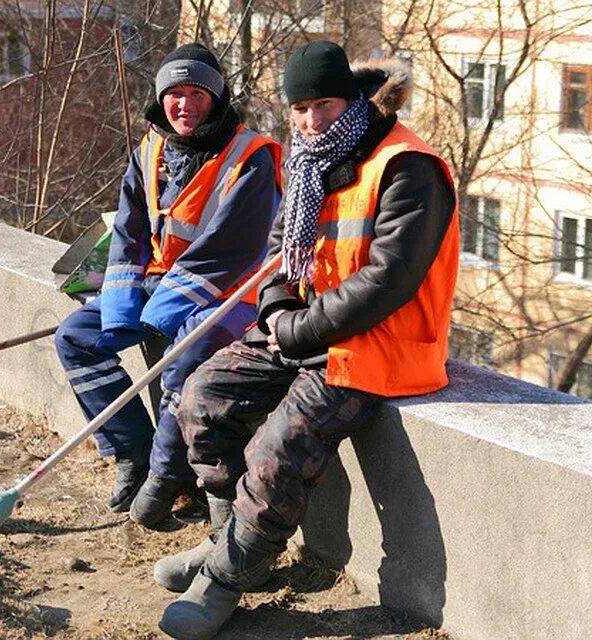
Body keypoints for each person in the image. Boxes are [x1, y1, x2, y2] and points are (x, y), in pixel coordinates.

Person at [155, 40, 459, 640]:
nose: (311, 120)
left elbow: (387, 280)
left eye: (323, 104)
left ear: (351, 100)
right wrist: (274, 308)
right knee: (201, 396)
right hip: (308, 333)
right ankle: (231, 542)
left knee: (281, 444)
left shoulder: (407, 167)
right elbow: (280, 255)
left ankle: (224, 580)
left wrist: (294, 329)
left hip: (380, 346)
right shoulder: (309, 161)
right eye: (300, 109)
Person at [54, 43, 281, 529]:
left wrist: (160, 306)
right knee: (76, 337)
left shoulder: (252, 158)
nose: (184, 105)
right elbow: (128, 233)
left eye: (196, 93)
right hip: (163, 287)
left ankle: (167, 473)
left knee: (187, 354)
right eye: (174, 94)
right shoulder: (150, 150)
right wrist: (119, 308)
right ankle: (132, 450)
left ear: (216, 99)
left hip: (231, 294)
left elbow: (229, 250)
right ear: (161, 100)